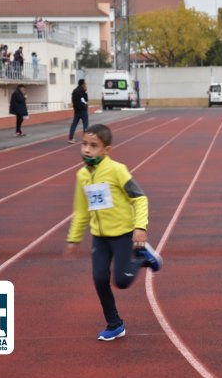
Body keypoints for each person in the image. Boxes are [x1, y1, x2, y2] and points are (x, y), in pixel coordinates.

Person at [64, 124, 162, 341]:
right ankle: (115, 323)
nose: (87, 150)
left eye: (94, 146)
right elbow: (81, 210)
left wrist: (140, 227)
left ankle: (141, 258)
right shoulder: (82, 175)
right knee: (99, 278)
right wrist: (74, 239)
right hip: (100, 237)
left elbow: (139, 198)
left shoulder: (117, 170)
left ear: (107, 150)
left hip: (123, 234)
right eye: (84, 144)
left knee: (123, 281)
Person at [68, 79, 89, 143]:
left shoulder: (74, 91)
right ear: (82, 84)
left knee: (74, 124)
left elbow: (73, 101)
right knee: (85, 124)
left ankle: (70, 138)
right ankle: (85, 139)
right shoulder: (82, 91)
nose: (86, 85)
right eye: (85, 84)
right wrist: (85, 92)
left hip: (76, 111)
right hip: (83, 110)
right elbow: (85, 100)